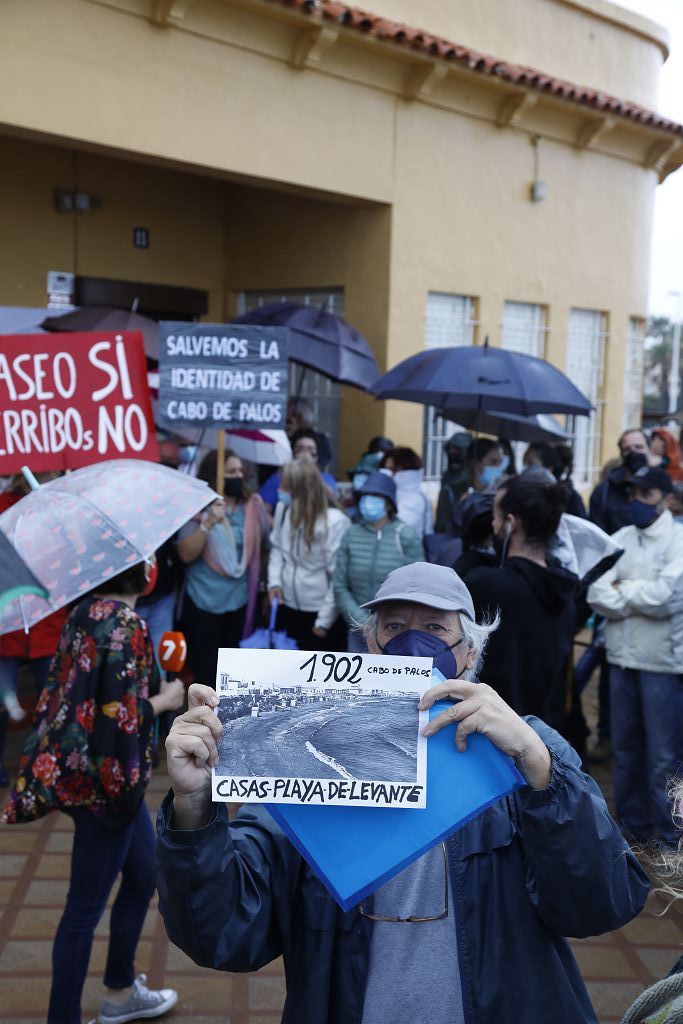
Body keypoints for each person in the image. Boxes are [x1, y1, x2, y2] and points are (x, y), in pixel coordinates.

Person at [156, 560, 649, 1024]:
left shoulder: (525, 749)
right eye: (394, 627)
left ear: (470, 653)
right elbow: (224, 933)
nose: (413, 642)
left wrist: (540, 767)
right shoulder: (310, 759)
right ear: (371, 645)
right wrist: (194, 807)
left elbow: (602, 904)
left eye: (436, 629)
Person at [2, 562, 184, 1024]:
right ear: (144, 575)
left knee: (143, 874)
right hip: (107, 788)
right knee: (83, 911)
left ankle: (120, 993)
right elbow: (118, 716)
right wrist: (166, 700)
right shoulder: (127, 625)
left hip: (91, 777)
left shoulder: (83, 612)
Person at [587, 465, 683, 846]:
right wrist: (635, 594)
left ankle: (668, 836)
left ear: (667, 499)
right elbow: (595, 591)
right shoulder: (620, 538)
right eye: (633, 495)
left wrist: (621, 591)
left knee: (664, 757)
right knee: (625, 751)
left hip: (661, 664)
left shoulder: (678, 540)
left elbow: (669, 596)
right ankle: (632, 829)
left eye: (646, 495)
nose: (637, 503)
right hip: (621, 660)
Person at [461, 475, 578, 737]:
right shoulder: (565, 589)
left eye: (495, 516)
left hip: (494, 731)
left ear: (510, 524)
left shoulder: (486, 585)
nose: (492, 524)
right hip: (547, 735)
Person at [177, 449, 266, 685]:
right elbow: (185, 554)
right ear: (215, 476)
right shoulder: (197, 509)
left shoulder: (251, 507)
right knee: (206, 670)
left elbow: (264, 546)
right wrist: (208, 523)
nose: (237, 476)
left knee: (234, 673)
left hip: (239, 602)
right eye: (230, 472)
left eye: (240, 471)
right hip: (203, 602)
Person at [0, 471, 66, 785]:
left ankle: (46, 766)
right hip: (8, 627)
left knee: (50, 703)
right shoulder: (3, 505)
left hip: (48, 622)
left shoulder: (57, 507)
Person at [333, 471, 424, 652]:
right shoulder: (351, 534)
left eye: (375, 497)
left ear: (389, 503)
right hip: (358, 630)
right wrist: (362, 622)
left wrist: (391, 622)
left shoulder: (406, 535)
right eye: (364, 497)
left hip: (397, 631)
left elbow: (418, 587)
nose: (368, 502)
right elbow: (339, 585)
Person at [268, 460, 350, 650]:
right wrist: (274, 582)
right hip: (288, 606)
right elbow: (278, 549)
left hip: (320, 613)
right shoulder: (283, 509)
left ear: (301, 489)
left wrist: (324, 621)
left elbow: (337, 577)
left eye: (285, 485)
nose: (279, 489)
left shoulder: (335, 521)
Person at [589, 428, 652, 534]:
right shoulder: (604, 491)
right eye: (627, 449)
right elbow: (598, 535)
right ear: (621, 454)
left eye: (639, 447)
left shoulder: (663, 486)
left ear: (649, 449)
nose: (634, 452)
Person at [260, 428, 337, 513]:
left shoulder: (326, 478)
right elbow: (264, 512)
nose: (305, 453)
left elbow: (330, 500)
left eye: (311, 449)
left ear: (317, 456)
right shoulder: (278, 478)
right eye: (300, 448)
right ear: (293, 452)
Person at [379, 447, 433, 537]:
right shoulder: (394, 493)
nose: (386, 473)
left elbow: (394, 530)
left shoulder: (415, 500)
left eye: (391, 469)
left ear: (402, 471)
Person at [434, 432, 471, 533]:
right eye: (450, 450)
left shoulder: (470, 476)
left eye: (457, 451)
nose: (452, 454)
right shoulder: (447, 475)